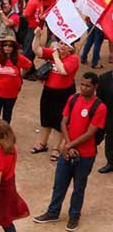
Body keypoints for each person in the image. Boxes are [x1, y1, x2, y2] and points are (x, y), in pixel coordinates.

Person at [32, 73, 108, 231]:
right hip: (67, 151)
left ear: (95, 87)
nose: (84, 88)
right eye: (82, 84)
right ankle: (53, 212)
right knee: (59, 184)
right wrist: (68, 145)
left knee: (79, 187)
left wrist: (69, 145)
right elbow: (64, 122)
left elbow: (90, 133)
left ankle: (74, 216)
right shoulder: (73, 99)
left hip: (86, 155)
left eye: (88, 86)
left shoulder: (99, 107)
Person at [30, 28, 81, 162]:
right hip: (48, 91)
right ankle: (42, 143)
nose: (62, 46)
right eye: (61, 43)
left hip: (64, 93)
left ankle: (56, 148)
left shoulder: (73, 59)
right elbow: (37, 50)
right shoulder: (54, 53)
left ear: (71, 48)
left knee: (59, 122)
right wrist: (37, 36)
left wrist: (56, 57)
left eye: (66, 44)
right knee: (46, 118)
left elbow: (63, 71)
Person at [0, 35, 32, 123]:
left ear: (14, 47)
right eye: (5, 45)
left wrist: (21, 75)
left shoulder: (19, 58)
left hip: (11, 93)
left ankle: (5, 132)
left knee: (7, 114)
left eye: (10, 45)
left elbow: (29, 65)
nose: (7, 47)